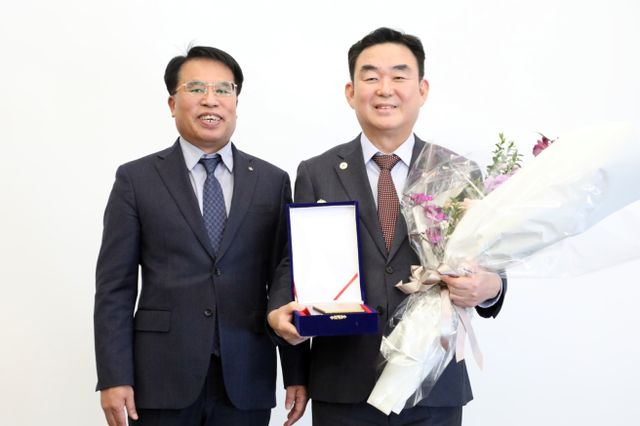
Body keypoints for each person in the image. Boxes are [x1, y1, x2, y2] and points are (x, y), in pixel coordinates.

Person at [267, 27, 506, 425]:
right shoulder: (316, 172)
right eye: (371, 77)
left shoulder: (457, 172)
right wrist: (279, 316)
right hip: (343, 382)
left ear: (422, 89)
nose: (384, 89)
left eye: (398, 76)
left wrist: (490, 287)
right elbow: (295, 264)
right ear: (351, 92)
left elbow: (489, 260)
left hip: (432, 379)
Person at [94, 45, 308, 426]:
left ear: (236, 103)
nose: (211, 99)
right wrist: (114, 376)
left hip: (246, 375)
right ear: (172, 102)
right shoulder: (136, 180)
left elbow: (287, 278)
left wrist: (296, 372)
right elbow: (115, 288)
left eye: (223, 89)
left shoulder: (272, 181)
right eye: (196, 88)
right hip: (161, 377)